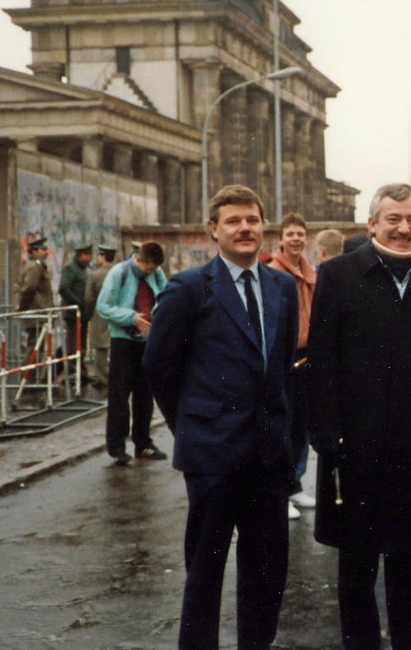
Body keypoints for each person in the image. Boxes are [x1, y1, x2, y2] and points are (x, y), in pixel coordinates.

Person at [144, 184, 298, 650]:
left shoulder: (281, 286)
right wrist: (190, 427)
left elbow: (283, 363)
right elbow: (159, 365)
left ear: (263, 226)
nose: (244, 228)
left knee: (266, 573)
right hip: (213, 457)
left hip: (268, 457)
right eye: (233, 221)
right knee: (205, 575)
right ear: (214, 230)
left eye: (252, 219)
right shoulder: (189, 288)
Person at [307, 183, 411, 650]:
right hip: (355, 445)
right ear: (372, 225)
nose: (404, 229)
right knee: (357, 564)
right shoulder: (339, 274)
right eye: (393, 219)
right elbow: (321, 360)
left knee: (409, 561)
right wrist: (327, 435)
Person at [96, 240, 168, 465]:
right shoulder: (120, 273)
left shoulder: (155, 274)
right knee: (119, 396)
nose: (150, 272)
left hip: (147, 341)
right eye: (148, 268)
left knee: (145, 396)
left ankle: (143, 443)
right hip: (124, 341)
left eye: (154, 269)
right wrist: (131, 317)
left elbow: (166, 296)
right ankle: (116, 447)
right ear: (139, 260)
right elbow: (103, 306)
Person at [270, 212, 318, 520]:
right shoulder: (273, 273)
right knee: (282, 427)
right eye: (290, 234)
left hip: (309, 358)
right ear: (280, 239)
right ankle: (280, 491)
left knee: (301, 425)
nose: (296, 239)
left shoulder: (311, 273)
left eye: (300, 234)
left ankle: (296, 484)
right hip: (284, 359)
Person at [83, 245, 116, 391]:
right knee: (116, 345)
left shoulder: (95, 275)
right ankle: (117, 376)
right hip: (118, 312)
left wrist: (88, 315)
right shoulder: (120, 272)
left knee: (100, 348)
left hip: (100, 313)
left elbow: (89, 298)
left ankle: (102, 378)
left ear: (102, 257)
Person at [58, 243, 93, 378]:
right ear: (81, 255)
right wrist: (78, 303)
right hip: (73, 313)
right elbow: (63, 289)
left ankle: (80, 370)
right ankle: (71, 370)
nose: (90, 258)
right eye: (88, 255)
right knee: (73, 342)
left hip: (83, 314)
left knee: (82, 343)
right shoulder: (70, 269)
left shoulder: (85, 270)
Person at [15, 237, 53, 311]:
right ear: (34, 251)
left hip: (41, 310)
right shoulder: (34, 267)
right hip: (37, 311)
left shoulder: (38, 266)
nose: (46, 253)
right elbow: (29, 288)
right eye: (43, 250)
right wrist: (22, 307)